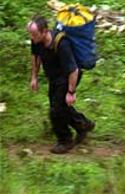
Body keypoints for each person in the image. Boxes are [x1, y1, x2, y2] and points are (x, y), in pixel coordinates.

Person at [28, 15, 95, 154]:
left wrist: (71, 92)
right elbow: (35, 57)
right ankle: (83, 124)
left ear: (45, 31)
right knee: (61, 106)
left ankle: (65, 140)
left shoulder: (61, 43)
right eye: (30, 34)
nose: (32, 37)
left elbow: (73, 70)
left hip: (69, 77)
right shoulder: (36, 40)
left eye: (34, 34)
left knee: (56, 110)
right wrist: (34, 77)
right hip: (54, 77)